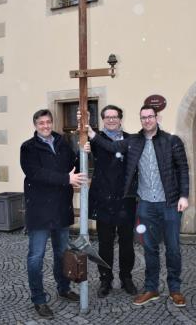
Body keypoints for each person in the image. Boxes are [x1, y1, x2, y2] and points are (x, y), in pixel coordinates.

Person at [87, 105, 190, 307]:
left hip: (169, 203)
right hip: (145, 203)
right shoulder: (134, 141)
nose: (147, 120)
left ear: (157, 118)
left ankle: (175, 289)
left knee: (173, 248)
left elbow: (183, 168)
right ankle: (151, 288)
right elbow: (113, 148)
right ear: (140, 120)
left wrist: (184, 196)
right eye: (143, 117)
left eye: (150, 117)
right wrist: (91, 133)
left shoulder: (171, 140)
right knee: (149, 248)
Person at [20, 109, 87, 318]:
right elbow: (35, 173)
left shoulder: (62, 142)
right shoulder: (28, 147)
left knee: (61, 254)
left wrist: (83, 150)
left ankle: (64, 288)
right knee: (36, 257)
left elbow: (73, 164)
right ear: (35, 125)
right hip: (39, 211)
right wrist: (65, 179)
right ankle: (39, 300)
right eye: (41, 123)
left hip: (60, 208)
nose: (46, 126)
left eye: (48, 122)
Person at [84, 105, 137, 298]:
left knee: (127, 243)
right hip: (104, 199)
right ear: (103, 120)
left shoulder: (131, 139)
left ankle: (126, 278)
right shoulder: (95, 140)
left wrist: (93, 135)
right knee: (104, 245)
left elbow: (115, 149)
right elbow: (81, 154)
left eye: (115, 117)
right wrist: (85, 147)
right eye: (107, 117)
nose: (111, 120)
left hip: (126, 200)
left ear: (121, 119)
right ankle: (105, 280)